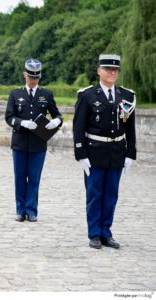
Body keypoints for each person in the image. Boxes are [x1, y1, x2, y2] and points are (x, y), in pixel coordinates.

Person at [73, 54, 136, 249]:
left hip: (116, 152)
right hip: (94, 153)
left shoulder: (126, 96)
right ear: (99, 70)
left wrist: (130, 153)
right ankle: (94, 233)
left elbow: (130, 128)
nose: (112, 72)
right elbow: (79, 127)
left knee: (111, 195)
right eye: (108, 69)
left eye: (115, 70)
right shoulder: (87, 95)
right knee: (94, 194)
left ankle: (106, 232)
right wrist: (81, 154)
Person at [5, 59, 63, 222]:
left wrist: (56, 122)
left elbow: (57, 114)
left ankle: (31, 210)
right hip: (20, 142)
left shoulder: (46, 94)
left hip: (38, 143)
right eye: (30, 76)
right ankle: (20, 210)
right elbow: (9, 117)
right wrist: (22, 122)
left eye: (36, 77)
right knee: (20, 177)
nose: (33, 80)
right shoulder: (15, 94)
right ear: (24, 74)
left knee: (34, 177)